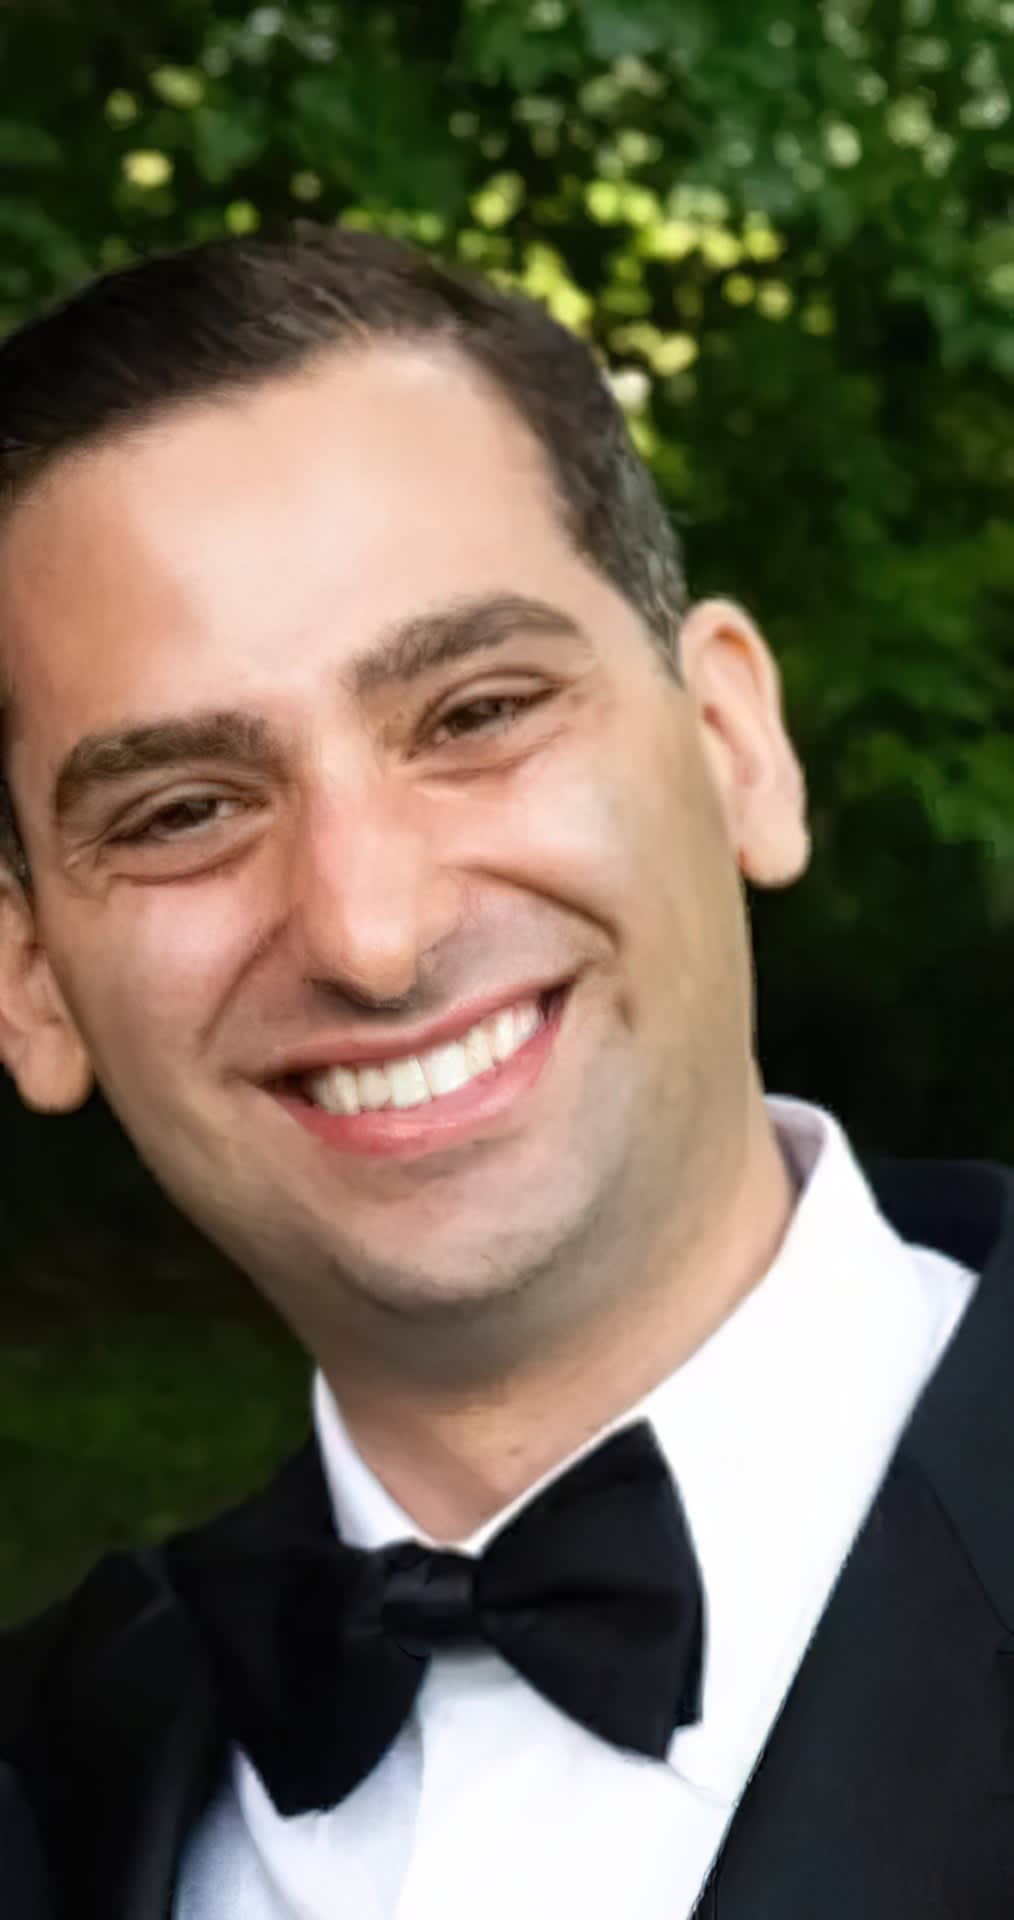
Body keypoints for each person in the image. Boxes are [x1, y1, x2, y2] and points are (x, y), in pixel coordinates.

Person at [0, 223, 1010, 1920]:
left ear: (734, 748)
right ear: (29, 983)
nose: (370, 931)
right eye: (183, 811)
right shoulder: (45, 1790)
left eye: (475, 713)